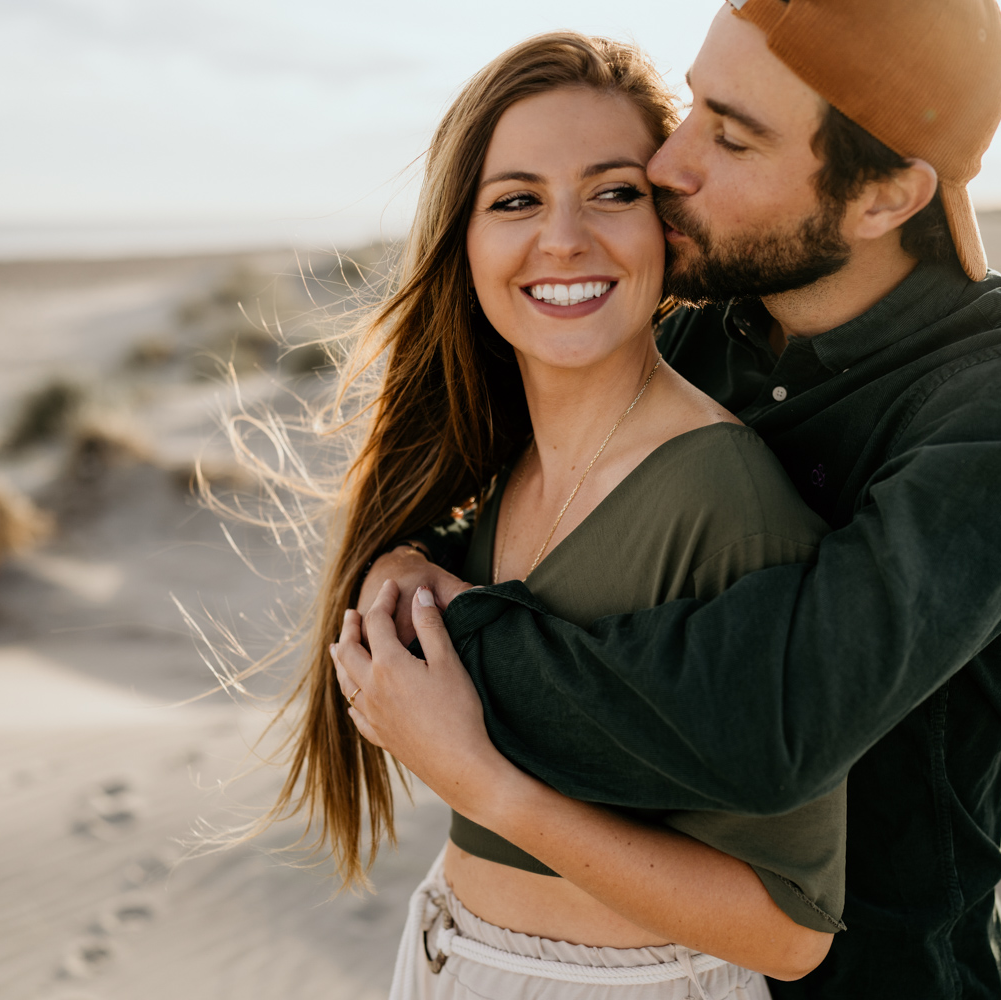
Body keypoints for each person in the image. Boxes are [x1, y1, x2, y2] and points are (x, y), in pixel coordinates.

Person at [347, 1, 1001, 998]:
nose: (670, 161)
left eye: (732, 135)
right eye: (695, 105)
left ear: (886, 194)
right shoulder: (697, 334)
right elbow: (558, 526)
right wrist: (415, 560)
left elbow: (777, 718)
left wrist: (445, 652)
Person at [292, 31, 857, 1000]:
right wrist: (396, 560)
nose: (563, 238)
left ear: (666, 226)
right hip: (445, 956)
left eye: (613, 191)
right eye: (516, 200)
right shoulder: (498, 470)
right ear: (463, 240)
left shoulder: (723, 497)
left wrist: (482, 783)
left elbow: (790, 930)